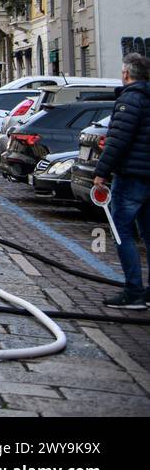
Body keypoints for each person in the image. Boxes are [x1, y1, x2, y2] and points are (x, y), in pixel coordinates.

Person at [93, 53, 150, 310]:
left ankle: (134, 291)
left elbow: (118, 141)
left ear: (127, 74)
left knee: (122, 231)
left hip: (131, 176)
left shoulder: (129, 99)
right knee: (148, 233)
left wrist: (102, 171)